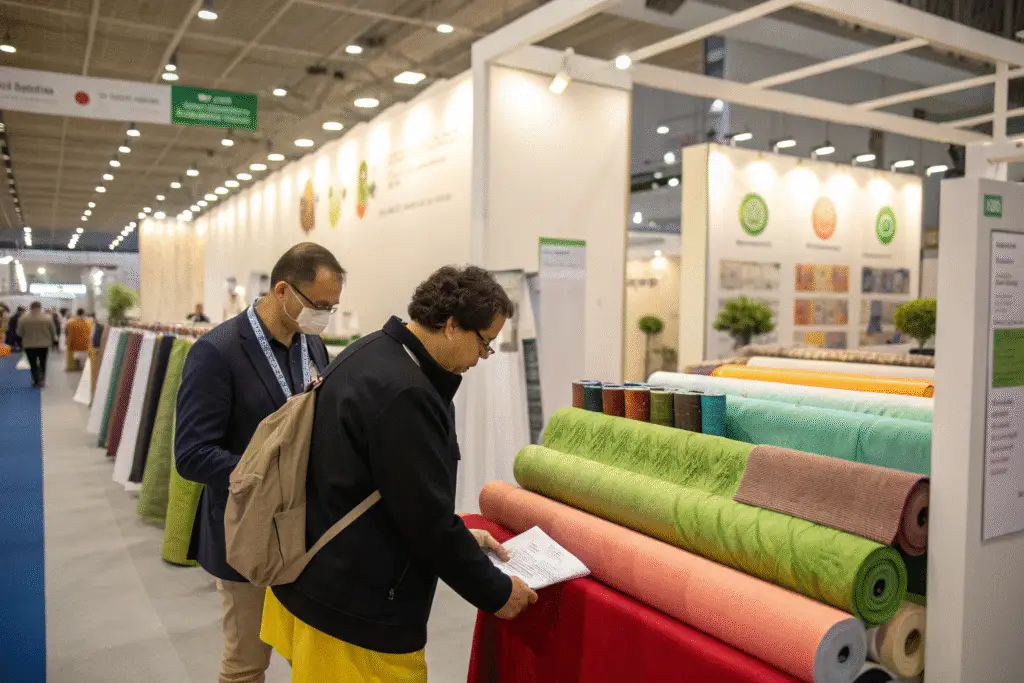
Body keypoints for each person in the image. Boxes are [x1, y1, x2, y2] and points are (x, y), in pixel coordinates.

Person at [263, 265, 537, 682]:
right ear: (452, 326)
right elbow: (426, 522)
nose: (481, 359)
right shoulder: (406, 392)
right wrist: (497, 592)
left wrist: (460, 532)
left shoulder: (373, 351)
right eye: (484, 344)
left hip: (317, 581)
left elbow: (383, 488)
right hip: (354, 611)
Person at [175, 243, 345, 683]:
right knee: (247, 662)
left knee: (308, 655)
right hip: (247, 533)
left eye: (331, 308)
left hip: (303, 532)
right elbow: (192, 455)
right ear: (282, 290)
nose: (324, 316)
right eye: (319, 305)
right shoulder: (217, 352)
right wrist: (268, 474)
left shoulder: (312, 345)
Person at [17, 302, 57, 388]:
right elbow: (53, 331)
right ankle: (42, 380)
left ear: (31, 307)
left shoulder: (23, 318)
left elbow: (19, 333)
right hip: (44, 345)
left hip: (29, 345)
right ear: (40, 307)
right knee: (43, 362)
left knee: (33, 364)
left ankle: (35, 380)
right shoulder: (47, 318)